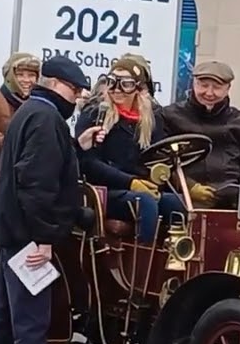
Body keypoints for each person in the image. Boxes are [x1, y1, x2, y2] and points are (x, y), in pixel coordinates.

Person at [0, 55, 92, 344]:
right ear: (57, 84)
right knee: (32, 324)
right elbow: (37, 184)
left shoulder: (29, 112)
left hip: (11, 231)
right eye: (74, 90)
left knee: (2, 319)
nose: (76, 99)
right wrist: (44, 237)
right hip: (28, 235)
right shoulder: (46, 120)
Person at [76, 55, 201, 244]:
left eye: (125, 84)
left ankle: (174, 258)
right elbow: (89, 163)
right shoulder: (95, 113)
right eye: (112, 82)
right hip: (103, 190)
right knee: (146, 203)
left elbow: (159, 155)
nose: (116, 89)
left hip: (140, 185)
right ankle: (141, 265)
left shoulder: (151, 118)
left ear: (139, 88)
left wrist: (160, 177)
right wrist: (131, 182)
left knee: (178, 203)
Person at [159, 61, 240, 208]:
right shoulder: (169, 115)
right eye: (203, 85)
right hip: (184, 198)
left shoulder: (239, 120)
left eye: (217, 87)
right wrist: (190, 187)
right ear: (193, 84)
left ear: (228, 89)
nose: (209, 93)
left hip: (231, 200)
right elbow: (160, 163)